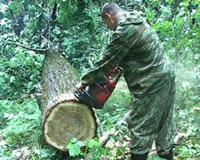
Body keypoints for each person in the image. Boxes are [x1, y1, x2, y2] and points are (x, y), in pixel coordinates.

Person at [76, 2, 177, 160]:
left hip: (151, 83)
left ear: (108, 17)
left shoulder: (124, 30)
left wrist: (83, 82)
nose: (109, 29)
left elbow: (106, 61)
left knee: (140, 129)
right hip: (166, 75)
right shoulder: (136, 19)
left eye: (106, 24)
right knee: (164, 125)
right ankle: (167, 155)